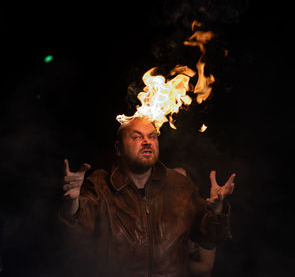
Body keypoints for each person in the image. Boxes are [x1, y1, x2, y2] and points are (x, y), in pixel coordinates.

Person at [59, 117, 235, 277]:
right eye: (137, 137)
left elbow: (210, 240)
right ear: (118, 149)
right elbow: (77, 232)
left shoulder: (180, 186)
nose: (146, 142)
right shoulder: (100, 184)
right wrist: (73, 201)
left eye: (152, 137)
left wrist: (217, 210)